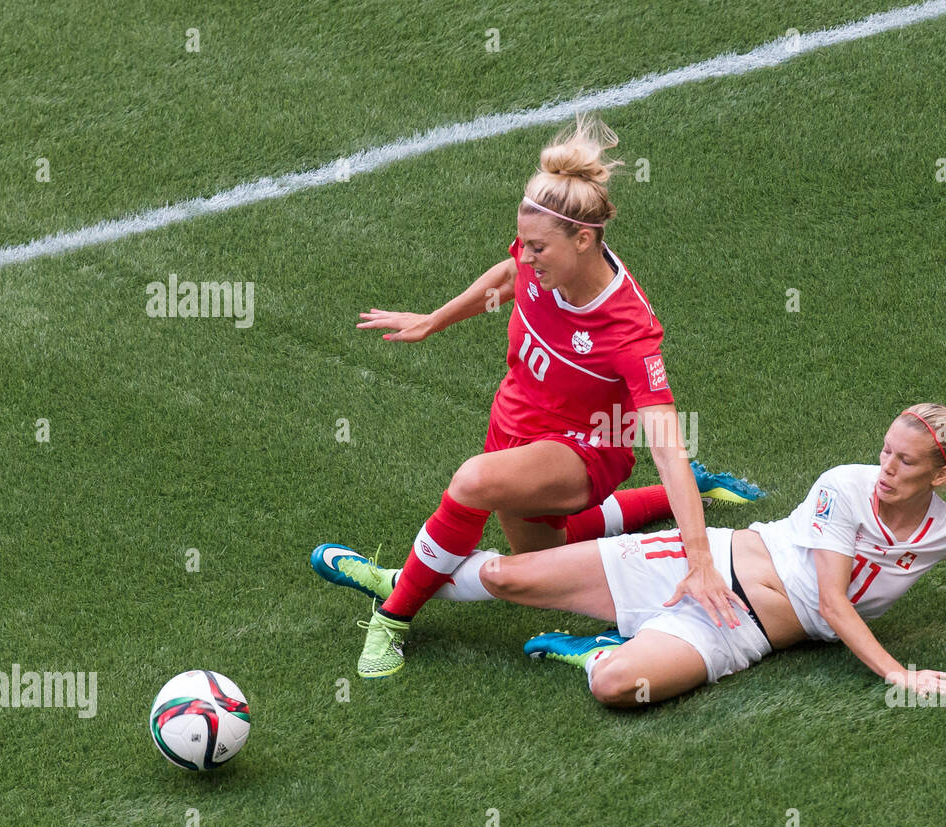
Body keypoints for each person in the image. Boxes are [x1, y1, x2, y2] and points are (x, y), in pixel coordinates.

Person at [315, 403, 946, 704]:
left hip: (737, 633)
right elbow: (835, 599)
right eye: (886, 452)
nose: (885, 468)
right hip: (697, 561)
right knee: (504, 573)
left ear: (944, 474)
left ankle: (604, 649)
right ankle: (394, 583)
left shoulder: (942, 532)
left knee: (615, 688)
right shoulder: (842, 488)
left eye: (905, 462)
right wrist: (897, 675)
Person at [326, 114, 761, 679]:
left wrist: (699, 559)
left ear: (584, 239)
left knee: (473, 481)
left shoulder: (628, 330)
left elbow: (665, 443)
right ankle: (684, 494)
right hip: (514, 425)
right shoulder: (538, 257)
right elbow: (507, 277)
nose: (528, 258)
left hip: (587, 448)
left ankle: (394, 612)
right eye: (525, 244)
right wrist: (435, 320)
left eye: (538, 249)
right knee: (541, 562)